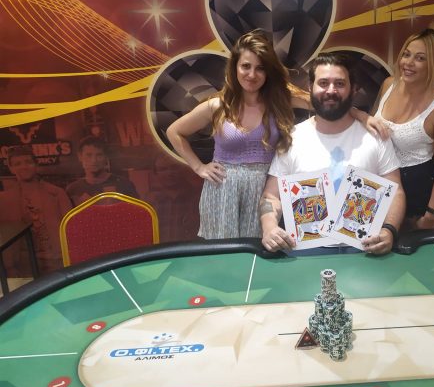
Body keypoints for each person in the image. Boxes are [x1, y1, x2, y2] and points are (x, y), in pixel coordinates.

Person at [260, 52, 406, 255]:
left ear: (353, 89)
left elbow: (396, 192)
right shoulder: (292, 139)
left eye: (339, 83)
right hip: (304, 253)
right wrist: (269, 227)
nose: (331, 90)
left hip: (365, 250)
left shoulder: (375, 136)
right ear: (310, 88)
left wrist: (389, 230)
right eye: (323, 83)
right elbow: (270, 197)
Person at [167, 29, 300, 240]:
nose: (252, 75)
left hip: (265, 192)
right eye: (246, 66)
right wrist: (199, 167)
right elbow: (174, 132)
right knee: (222, 254)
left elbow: (320, 102)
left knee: (262, 249)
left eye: (260, 68)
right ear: (235, 67)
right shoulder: (217, 106)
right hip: (222, 191)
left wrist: (356, 113)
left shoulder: (279, 101)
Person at [371, 25, 434, 230]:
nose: (408, 63)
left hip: (420, 203)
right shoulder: (388, 84)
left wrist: (431, 214)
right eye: (406, 54)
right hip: (382, 191)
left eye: (420, 58)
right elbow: (370, 126)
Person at [0, 145, 72, 274]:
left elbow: (71, 228)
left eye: (28, 162)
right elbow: (4, 237)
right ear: (10, 168)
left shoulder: (56, 193)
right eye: (17, 164)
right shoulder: (5, 200)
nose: (24, 167)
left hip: (56, 262)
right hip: (23, 265)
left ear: (36, 164)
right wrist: (9, 267)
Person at [65, 135, 139, 207]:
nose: (94, 160)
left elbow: (137, 212)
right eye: (89, 155)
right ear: (80, 156)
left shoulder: (124, 185)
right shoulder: (73, 190)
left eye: (99, 155)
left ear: (106, 157)